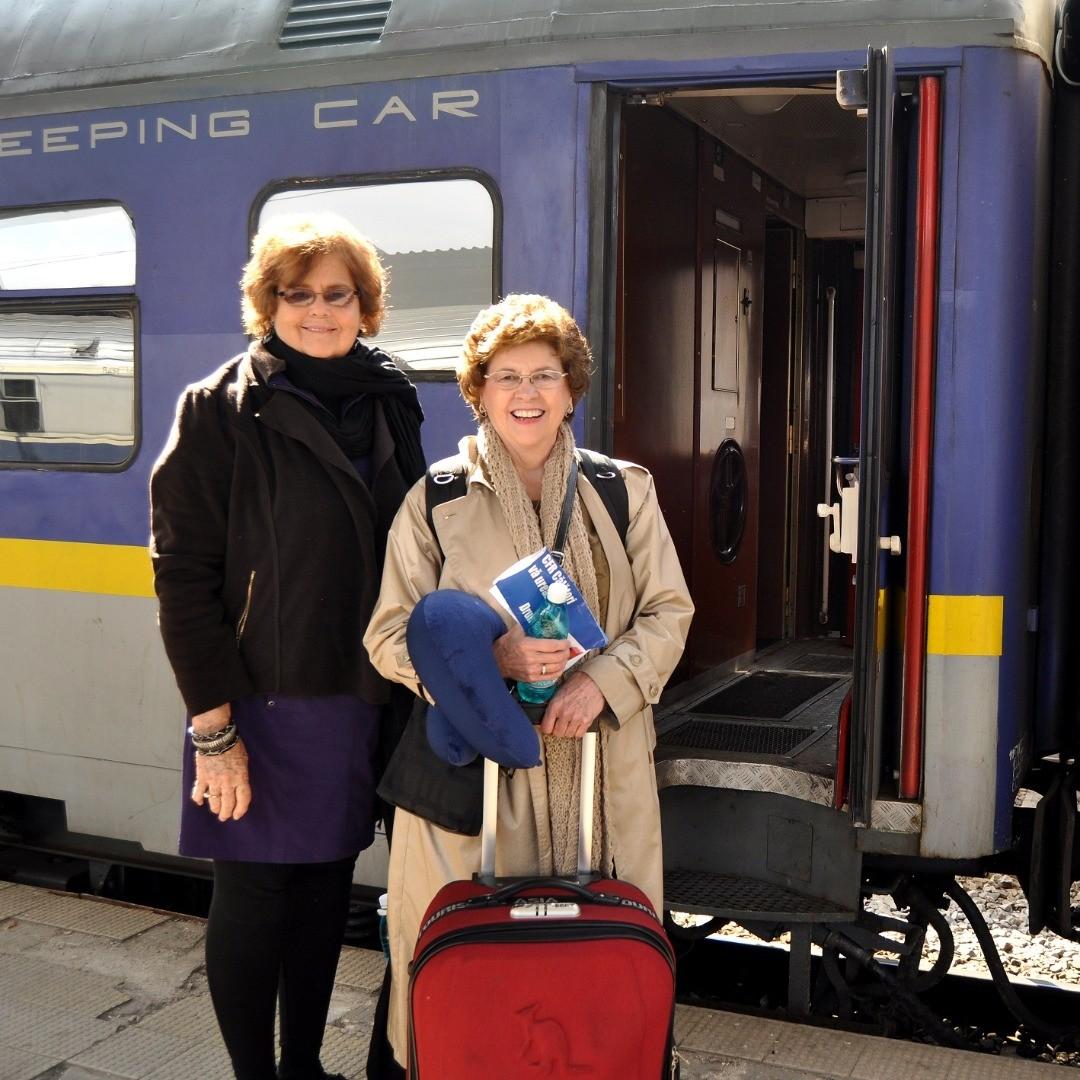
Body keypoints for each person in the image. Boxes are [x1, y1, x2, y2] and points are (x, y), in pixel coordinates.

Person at [363, 293, 693, 1071]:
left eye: (545, 374)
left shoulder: (622, 490)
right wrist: (490, 665)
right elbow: (387, 634)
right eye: (506, 375)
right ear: (478, 390)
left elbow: (669, 612)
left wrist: (602, 683)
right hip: (476, 784)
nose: (527, 394)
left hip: (601, 772)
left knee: (597, 969)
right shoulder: (436, 500)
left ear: (571, 389)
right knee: (476, 970)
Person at [149, 214, 425, 1080]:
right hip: (259, 700)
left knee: (322, 897)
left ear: (364, 305)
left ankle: (301, 1071)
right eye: (295, 294)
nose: (317, 309)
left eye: (335, 293)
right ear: (267, 305)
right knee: (257, 896)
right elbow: (182, 578)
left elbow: (418, 533)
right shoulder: (219, 408)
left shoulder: (391, 399)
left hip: (362, 689)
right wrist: (214, 728)